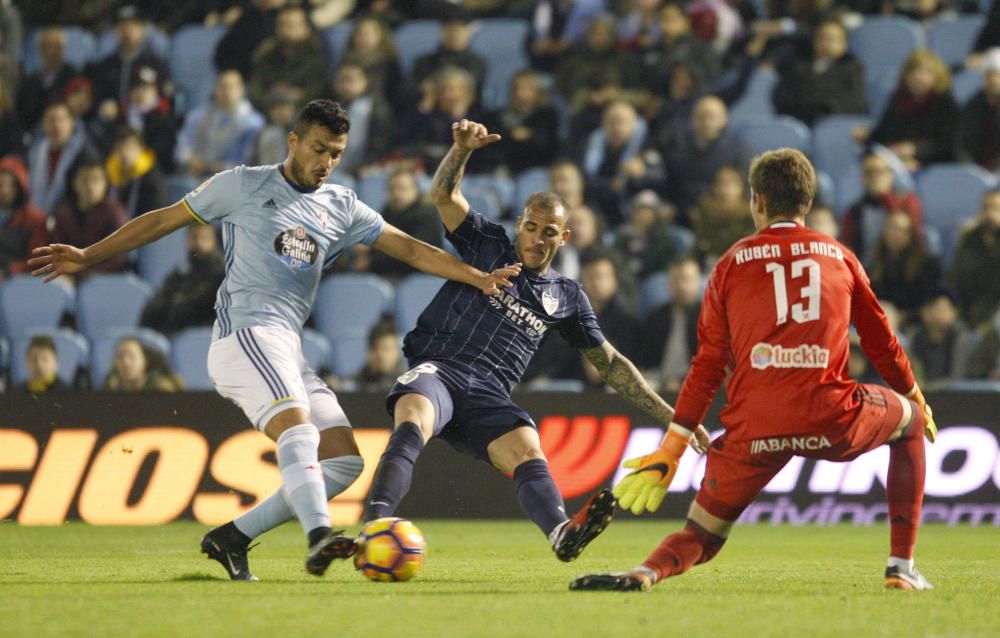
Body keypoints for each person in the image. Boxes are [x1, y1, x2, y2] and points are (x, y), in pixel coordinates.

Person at [29, 100, 519, 581]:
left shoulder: (340, 204)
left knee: (344, 462)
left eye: (336, 154)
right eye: (319, 149)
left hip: (287, 345)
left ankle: (233, 538)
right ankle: (319, 535)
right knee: (297, 429)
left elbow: (409, 247)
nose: (326, 163)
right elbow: (162, 219)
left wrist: (477, 277)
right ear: (293, 141)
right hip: (243, 335)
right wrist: (89, 255)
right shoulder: (242, 185)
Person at [570, 148, 937, 593]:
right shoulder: (839, 257)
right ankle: (901, 568)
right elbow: (881, 342)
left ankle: (645, 572)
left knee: (702, 535)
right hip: (831, 414)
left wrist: (673, 447)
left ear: (758, 201)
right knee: (911, 422)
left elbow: (706, 366)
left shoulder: (728, 265)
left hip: (756, 425)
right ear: (806, 200)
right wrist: (912, 393)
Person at [355, 119, 709, 565]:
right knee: (413, 418)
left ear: (564, 237)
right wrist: (462, 150)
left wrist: (672, 418)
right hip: (441, 368)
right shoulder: (487, 245)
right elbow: (444, 196)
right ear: (519, 224)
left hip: (488, 393)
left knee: (527, 448)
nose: (537, 239)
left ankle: (562, 532)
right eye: (531, 227)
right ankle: (375, 525)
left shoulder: (567, 297)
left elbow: (611, 364)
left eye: (548, 232)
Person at [175, 70, 265, 179]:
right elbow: (183, 144)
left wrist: (223, 167)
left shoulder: (254, 122)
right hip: (198, 175)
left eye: (231, 87)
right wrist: (189, 158)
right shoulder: (197, 116)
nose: (226, 91)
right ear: (215, 90)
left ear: (241, 90)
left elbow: (250, 158)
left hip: (236, 179)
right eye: (222, 87)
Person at [140, 224, 226, 334]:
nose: (198, 243)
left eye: (204, 238)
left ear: (214, 240)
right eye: (194, 237)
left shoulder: (223, 273)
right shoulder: (180, 272)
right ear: (187, 240)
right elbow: (160, 301)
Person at [949, 190, 1000, 327]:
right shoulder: (968, 240)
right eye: (985, 208)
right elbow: (956, 279)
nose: (990, 213)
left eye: (995, 208)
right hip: (968, 312)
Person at [0, 156, 48, 280]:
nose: (4, 191)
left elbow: (38, 261)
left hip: (21, 285)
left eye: (11, 185)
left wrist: (8, 271)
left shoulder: (35, 219)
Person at [103, 337, 184, 391]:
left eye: (132, 356)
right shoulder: (109, 388)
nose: (126, 362)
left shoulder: (161, 388)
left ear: (144, 360)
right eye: (120, 357)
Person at [351, 320, 406, 392]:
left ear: (397, 351)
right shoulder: (357, 381)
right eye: (375, 348)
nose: (380, 354)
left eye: (386, 349)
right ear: (368, 351)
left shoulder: (407, 383)